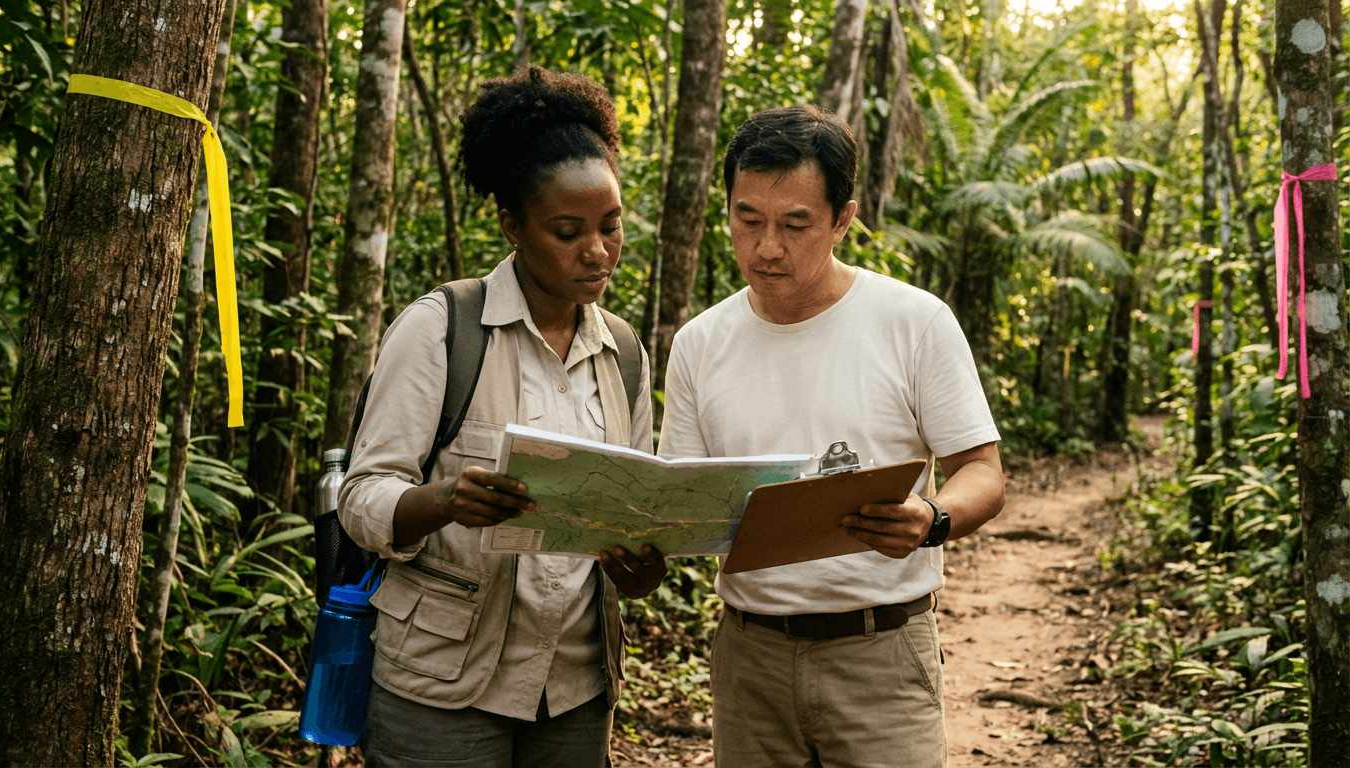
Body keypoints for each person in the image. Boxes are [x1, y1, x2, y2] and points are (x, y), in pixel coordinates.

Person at [658, 105, 1007, 768]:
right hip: (749, 657)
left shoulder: (914, 323)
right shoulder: (700, 345)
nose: (766, 247)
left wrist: (932, 518)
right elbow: (679, 500)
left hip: (880, 654)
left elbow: (983, 473)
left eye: (795, 224)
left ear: (843, 219)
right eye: (747, 219)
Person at [339, 65, 666, 768]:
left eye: (611, 226)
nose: (598, 250)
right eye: (568, 230)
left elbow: (634, 509)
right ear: (512, 226)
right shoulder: (442, 330)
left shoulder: (626, 355)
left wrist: (639, 568)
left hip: (574, 692)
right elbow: (362, 497)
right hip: (441, 689)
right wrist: (441, 502)